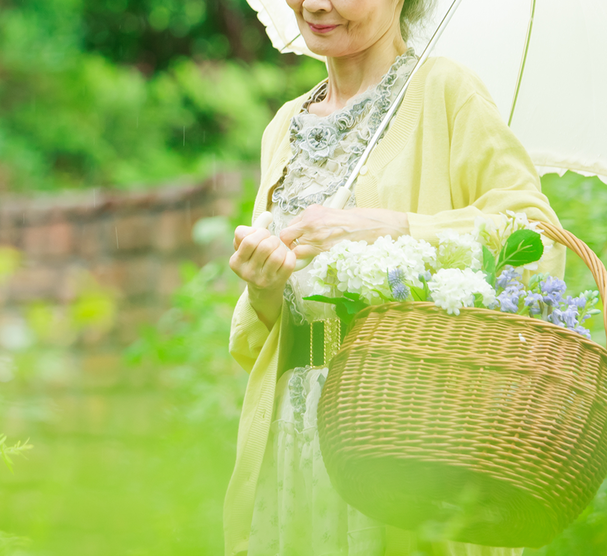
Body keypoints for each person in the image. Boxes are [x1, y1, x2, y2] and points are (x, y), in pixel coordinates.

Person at [223, 0, 567, 555]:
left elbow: (539, 244)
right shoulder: (285, 126)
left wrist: (384, 226)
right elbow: (263, 340)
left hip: (408, 426)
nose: (314, 5)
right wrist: (263, 288)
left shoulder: (446, 92)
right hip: (295, 435)